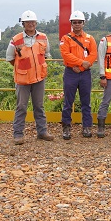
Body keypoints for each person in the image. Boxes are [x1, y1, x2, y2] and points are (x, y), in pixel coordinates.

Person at [7, 10, 53, 145]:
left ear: (36, 23)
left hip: (39, 78)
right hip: (23, 80)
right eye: (27, 22)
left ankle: (42, 132)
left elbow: (46, 54)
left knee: (39, 105)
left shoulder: (43, 37)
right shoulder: (15, 40)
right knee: (21, 106)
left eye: (32, 22)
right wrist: (23, 69)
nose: (30, 24)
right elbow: (10, 58)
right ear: (23, 24)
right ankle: (18, 134)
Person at [59, 10, 98, 140]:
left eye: (79, 22)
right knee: (68, 102)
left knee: (86, 102)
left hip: (85, 74)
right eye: (74, 22)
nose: (77, 25)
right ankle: (66, 128)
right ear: (71, 23)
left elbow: (93, 54)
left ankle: (87, 127)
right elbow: (66, 55)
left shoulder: (89, 38)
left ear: (83, 23)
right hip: (71, 72)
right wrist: (81, 63)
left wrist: (81, 67)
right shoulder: (65, 38)